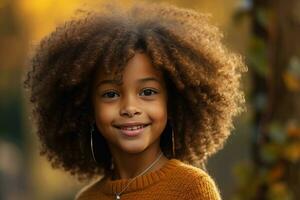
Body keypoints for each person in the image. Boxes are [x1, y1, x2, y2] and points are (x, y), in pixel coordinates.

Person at [24, 2, 246, 200]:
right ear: (87, 108)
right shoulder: (87, 197)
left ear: (172, 103)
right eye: (111, 94)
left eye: (147, 92)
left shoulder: (191, 188)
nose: (130, 108)